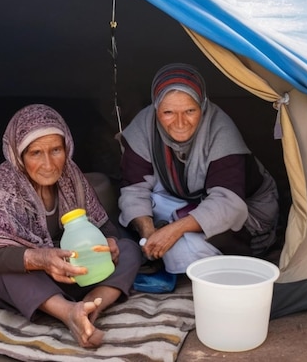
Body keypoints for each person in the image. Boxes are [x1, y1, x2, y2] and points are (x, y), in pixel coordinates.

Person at [0, 104, 142, 348]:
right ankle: (68, 312)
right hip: (29, 277)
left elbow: (104, 226)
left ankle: (89, 305)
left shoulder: (71, 175)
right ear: (19, 155)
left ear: (67, 147)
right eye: (35, 153)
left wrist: (109, 243)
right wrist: (42, 259)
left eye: (56, 150)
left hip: (72, 271)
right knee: (5, 274)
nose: (48, 163)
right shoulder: (3, 188)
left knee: (129, 248)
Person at [118, 63, 279, 275]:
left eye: (190, 111)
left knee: (183, 248)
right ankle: (172, 245)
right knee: (149, 206)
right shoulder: (144, 126)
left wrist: (172, 232)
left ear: (202, 106)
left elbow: (228, 204)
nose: (180, 123)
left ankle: (195, 257)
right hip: (186, 201)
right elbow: (134, 189)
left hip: (245, 211)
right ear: (156, 109)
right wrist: (148, 233)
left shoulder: (220, 129)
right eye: (168, 112)